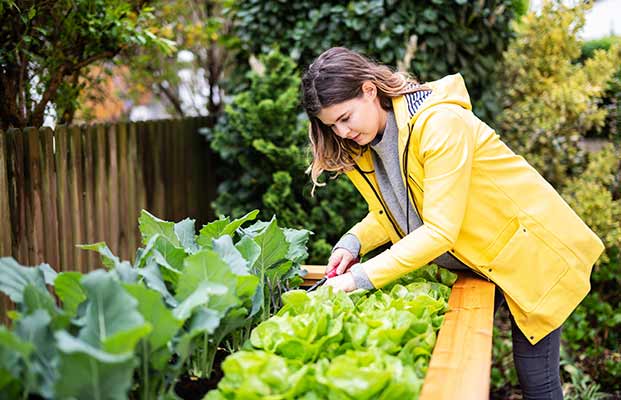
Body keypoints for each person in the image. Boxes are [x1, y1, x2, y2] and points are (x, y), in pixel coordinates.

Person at [301, 47, 604, 400]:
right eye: (332, 125)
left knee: (537, 379)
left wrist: (358, 279)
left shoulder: (439, 124)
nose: (342, 131)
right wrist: (352, 243)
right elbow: (399, 211)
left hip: (532, 252)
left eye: (345, 117)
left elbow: (439, 231)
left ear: (370, 90)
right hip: (484, 257)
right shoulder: (375, 141)